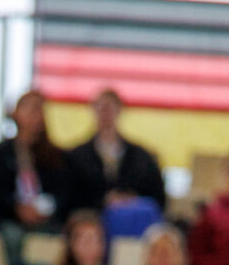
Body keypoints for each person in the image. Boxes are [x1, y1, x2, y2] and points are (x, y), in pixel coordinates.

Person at [61, 89, 165, 217]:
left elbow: (158, 198)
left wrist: (131, 199)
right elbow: (68, 199)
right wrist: (102, 201)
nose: (106, 114)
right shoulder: (76, 157)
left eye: (110, 108)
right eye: (102, 108)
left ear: (120, 110)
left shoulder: (142, 158)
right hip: (91, 222)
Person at [0, 89, 65, 235]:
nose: (35, 115)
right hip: (9, 218)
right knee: (11, 234)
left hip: (46, 218)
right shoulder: (1, 153)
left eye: (39, 109)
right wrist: (18, 209)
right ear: (16, 113)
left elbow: (62, 192)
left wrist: (45, 208)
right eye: (30, 109)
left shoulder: (55, 155)